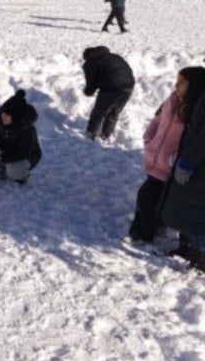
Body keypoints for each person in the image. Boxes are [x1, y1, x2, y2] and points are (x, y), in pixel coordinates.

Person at [129, 68, 205, 244]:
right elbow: (158, 119)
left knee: (149, 197)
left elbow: (193, 139)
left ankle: (143, 235)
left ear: (194, 85)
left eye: (182, 82)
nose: (176, 85)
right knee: (151, 198)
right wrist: (149, 137)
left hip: (172, 164)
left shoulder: (195, 108)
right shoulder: (173, 100)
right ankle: (146, 232)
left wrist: (180, 158)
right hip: (157, 158)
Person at [160, 67, 205, 271]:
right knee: (187, 207)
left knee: (198, 212)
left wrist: (189, 160)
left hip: (199, 162)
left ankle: (201, 256)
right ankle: (186, 247)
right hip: (194, 158)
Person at [0, 90, 42, 184]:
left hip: (26, 156)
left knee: (14, 170)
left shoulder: (26, 129)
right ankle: (0, 170)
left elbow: (23, 153)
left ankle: (21, 177)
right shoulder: (1, 122)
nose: (3, 117)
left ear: (15, 117)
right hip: (7, 151)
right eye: (3, 113)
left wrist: (1, 158)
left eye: (7, 115)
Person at [82, 46, 135, 141]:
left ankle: (90, 134)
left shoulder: (91, 62)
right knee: (114, 112)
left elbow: (91, 81)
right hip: (129, 85)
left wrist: (88, 92)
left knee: (99, 112)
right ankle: (106, 135)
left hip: (112, 86)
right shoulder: (114, 56)